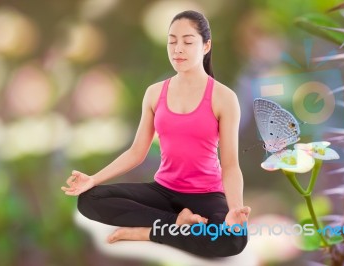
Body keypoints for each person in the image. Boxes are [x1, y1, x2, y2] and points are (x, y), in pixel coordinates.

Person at [61, 10, 251, 258]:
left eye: (187, 41)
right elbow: (137, 152)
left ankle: (147, 232)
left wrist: (234, 210)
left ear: (206, 46)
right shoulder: (154, 93)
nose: (177, 49)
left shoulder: (224, 97)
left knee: (233, 240)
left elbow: (230, 165)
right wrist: (93, 179)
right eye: (172, 41)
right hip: (163, 191)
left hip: (206, 195)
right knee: (88, 200)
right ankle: (175, 223)